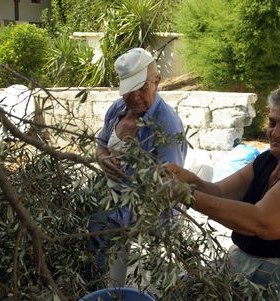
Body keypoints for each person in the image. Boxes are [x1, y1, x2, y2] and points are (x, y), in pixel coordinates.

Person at [168, 85, 280, 300]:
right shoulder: (268, 160)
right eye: (273, 122)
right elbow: (220, 192)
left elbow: (260, 222)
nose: (275, 132)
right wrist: (189, 180)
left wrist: (186, 196)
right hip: (253, 276)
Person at [89, 47, 187, 287]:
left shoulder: (167, 126)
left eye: (142, 88)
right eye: (129, 90)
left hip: (147, 211)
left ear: (157, 82)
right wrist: (102, 156)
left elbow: (168, 185)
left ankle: (101, 285)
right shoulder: (117, 110)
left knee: (100, 228)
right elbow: (101, 142)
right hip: (111, 197)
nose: (135, 97)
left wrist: (126, 212)